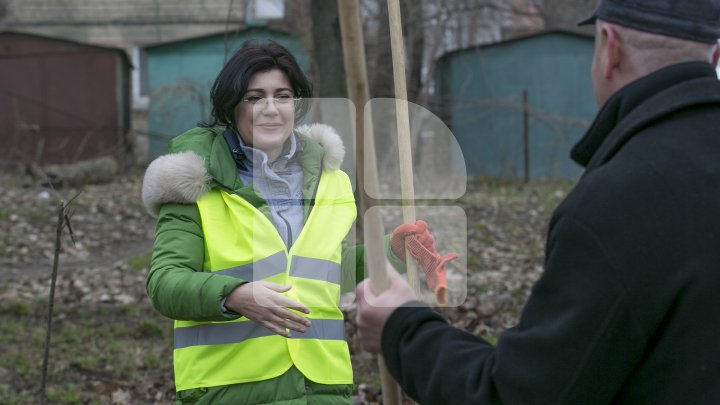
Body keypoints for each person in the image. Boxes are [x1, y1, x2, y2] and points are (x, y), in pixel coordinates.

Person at [356, 0, 720, 404]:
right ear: (714, 55)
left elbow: (518, 396)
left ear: (609, 47)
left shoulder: (620, 204)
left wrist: (401, 327)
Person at [141, 40, 436, 404]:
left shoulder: (330, 180)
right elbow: (165, 282)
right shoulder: (192, 183)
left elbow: (325, 273)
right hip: (232, 390)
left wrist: (390, 251)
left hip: (324, 388)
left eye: (282, 95)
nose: (270, 109)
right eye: (254, 97)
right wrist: (233, 296)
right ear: (232, 106)